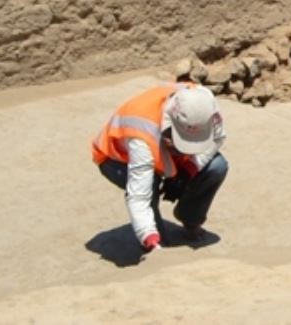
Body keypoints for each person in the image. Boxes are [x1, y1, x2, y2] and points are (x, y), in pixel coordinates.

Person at [91, 82, 228, 254]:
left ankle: (190, 219)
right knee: (150, 185)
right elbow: (139, 196)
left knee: (217, 166)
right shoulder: (142, 134)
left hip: (160, 148)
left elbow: (217, 138)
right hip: (117, 159)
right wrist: (149, 238)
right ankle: (153, 236)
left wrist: (188, 170)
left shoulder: (204, 106)